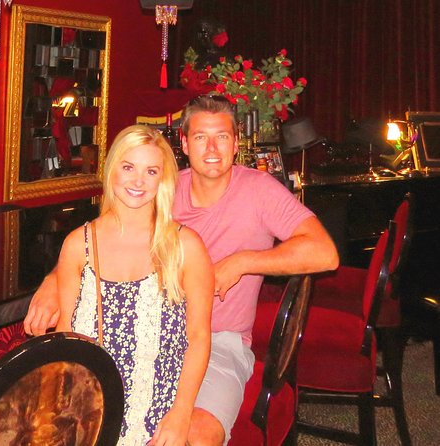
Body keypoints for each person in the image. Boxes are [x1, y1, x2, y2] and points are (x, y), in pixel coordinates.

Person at [25, 96, 339, 445]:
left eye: (222, 137)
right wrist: (54, 280)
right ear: (185, 144)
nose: (212, 148)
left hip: (218, 339)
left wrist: (243, 261)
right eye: (201, 137)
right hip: (148, 334)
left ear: (236, 143)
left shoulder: (259, 190)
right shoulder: (161, 188)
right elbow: (105, 238)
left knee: (193, 435)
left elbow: (325, 254)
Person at [54, 124, 213, 445]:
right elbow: (64, 337)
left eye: (151, 171)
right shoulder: (78, 245)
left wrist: (181, 415)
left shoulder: (186, 247)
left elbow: (198, 338)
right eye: (128, 167)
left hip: (160, 411)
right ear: (112, 169)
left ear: (163, 179)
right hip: (89, 416)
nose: (138, 181)